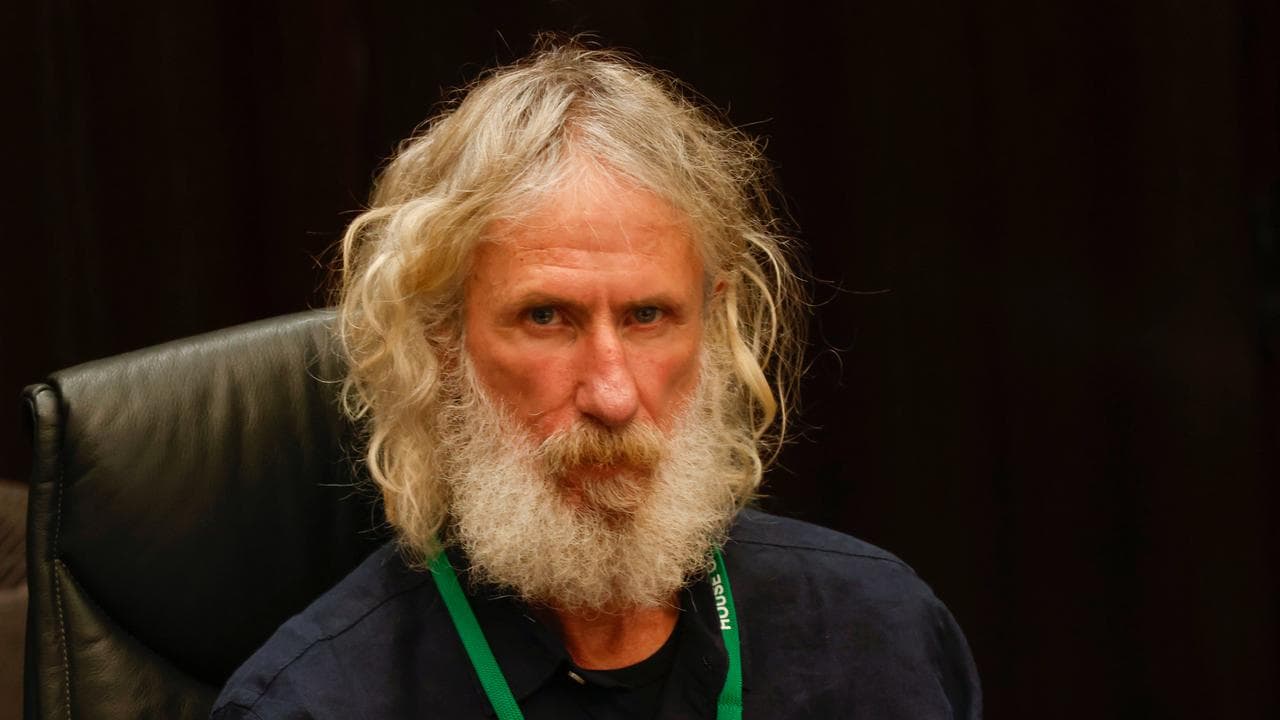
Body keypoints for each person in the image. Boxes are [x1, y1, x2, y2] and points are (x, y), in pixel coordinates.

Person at [212, 42, 982, 719]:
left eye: (650, 315)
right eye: (546, 317)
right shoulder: (313, 702)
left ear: (712, 326)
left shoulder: (880, 632)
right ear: (442, 341)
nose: (613, 396)